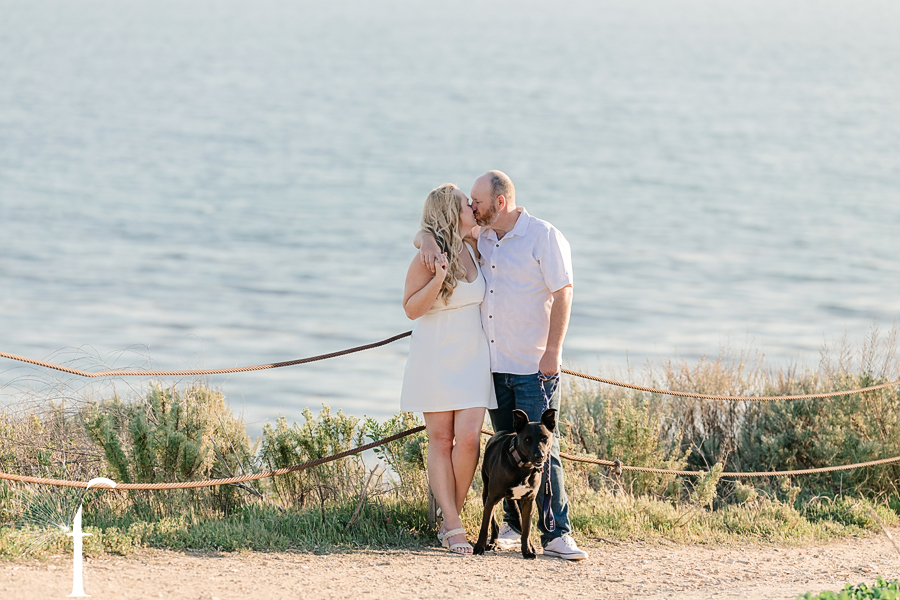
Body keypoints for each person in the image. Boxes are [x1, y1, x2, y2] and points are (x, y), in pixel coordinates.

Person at [415, 170, 588, 561]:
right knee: (508, 449)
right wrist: (425, 238)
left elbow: (564, 292)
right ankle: (511, 524)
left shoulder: (544, 236)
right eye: (469, 203)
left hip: (533, 364)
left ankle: (557, 533)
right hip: (494, 368)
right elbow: (433, 230)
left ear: (501, 202)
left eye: (477, 201)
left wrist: (553, 352)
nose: (473, 208)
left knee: (544, 449)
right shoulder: (485, 237)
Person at [400, 183, 497, 555]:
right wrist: (438, 277)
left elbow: (426, 231)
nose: (473, 207)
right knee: (441, 440)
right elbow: (411, 309)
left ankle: (449, 516)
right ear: (450, 212)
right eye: (465, 205)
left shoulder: (473, 243)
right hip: (435, 354)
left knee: (469, 438)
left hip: (473, 355)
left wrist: (422, 236)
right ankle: (453, 523)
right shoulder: (426, 259)